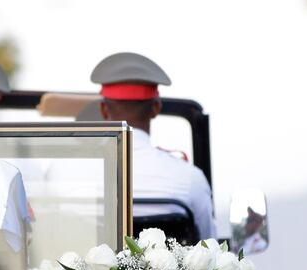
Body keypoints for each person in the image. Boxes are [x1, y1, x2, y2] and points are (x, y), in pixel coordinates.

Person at [89, 52, 219, 241]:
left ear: (103, 109)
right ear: (156, 107)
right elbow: (208, 245)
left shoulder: (68, 176)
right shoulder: (189, 179)